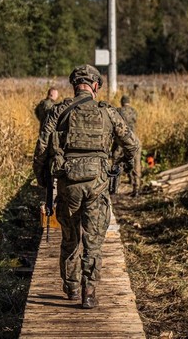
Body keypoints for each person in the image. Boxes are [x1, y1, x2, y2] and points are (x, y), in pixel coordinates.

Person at [33, 64, 139, 309]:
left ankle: (71, 288)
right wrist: (119, 165)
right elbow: (131, 144)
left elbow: (41, 150)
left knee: (70, 239)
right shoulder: (108, 112)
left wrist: (43, 181)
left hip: (67, 186)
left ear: (74, 85)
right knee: (93, 241)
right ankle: (88, 293)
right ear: (95, 86)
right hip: (97, 185)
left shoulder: (58, 111)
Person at [115, 96, 141, 197]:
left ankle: (116, 185)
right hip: (134, 139)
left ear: (121, 102)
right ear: (129, 102)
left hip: (121, 141)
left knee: (116, 161)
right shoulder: (134, 111)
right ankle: (137, 188)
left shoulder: (118, 111)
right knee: (136, 164)